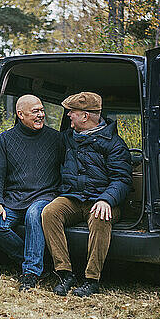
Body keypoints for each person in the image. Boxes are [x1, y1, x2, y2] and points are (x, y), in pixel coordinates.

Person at [42, 92, 132, 297]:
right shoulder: (67, 139)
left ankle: (92, 279)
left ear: (85, 116)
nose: (68, 116)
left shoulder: (115, 144)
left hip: (103, 200)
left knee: (101, 217)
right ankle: (64, 273)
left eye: (71, 112)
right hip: (74, 199)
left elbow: (122, 179)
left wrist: (107, 199)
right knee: (50, 212)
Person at [0, 94, 64, 292]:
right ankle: (38, 261)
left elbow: (68, 170)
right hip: (14, 199)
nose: (41, 115)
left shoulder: (56, 138)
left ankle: (30, 274)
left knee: (34, 214)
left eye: (42, 110)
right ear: (21, 114)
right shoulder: (6, 139)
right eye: (35, 111)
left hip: (45, 196)